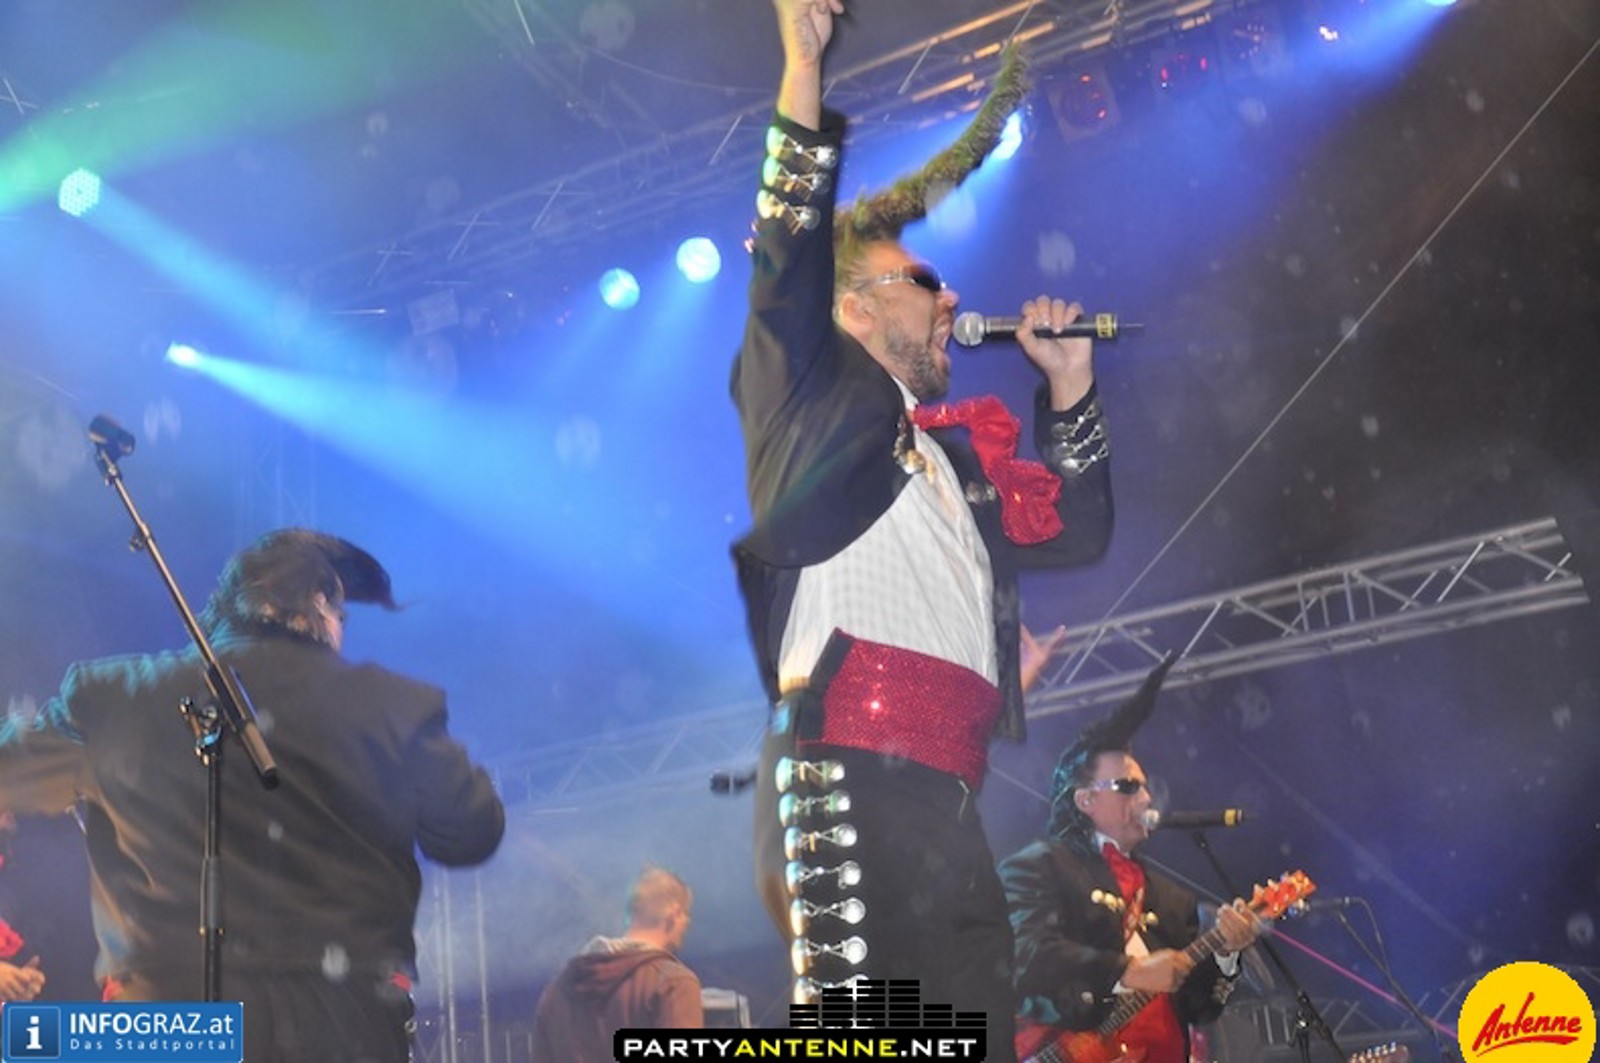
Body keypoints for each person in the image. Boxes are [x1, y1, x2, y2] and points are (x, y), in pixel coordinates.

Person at [729, 0, 1115, 1053]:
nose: (950, 301)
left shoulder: (955, 461)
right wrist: (801, 76)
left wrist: (1070, 387)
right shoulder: (811, 401)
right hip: (851, 768)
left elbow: (1076, 532)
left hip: (946, 794)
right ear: (851, 307)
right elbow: (787, 257)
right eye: (922, 282)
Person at [0, 528, 505, 1061]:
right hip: (345, 1029)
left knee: (48, 1042)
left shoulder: (111, 698)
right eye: (342, 617)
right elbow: (471, 832)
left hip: (167, 1032)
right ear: (319, 604)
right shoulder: (395, 706)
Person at [999, 659, 1261, 1063]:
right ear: (1085, 799)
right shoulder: (1041, 867)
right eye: (1128, 786)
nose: (1146, 798)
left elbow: (1200, 1010)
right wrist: (1127, 971)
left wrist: (1227, 954)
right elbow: (1026, 956)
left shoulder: (1172, 900)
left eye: (1145, 787)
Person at [530, 866, 703, 1063]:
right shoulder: (674, 983)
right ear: (675, 914)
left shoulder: (558, 990)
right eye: (686, 914)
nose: (688, 922)